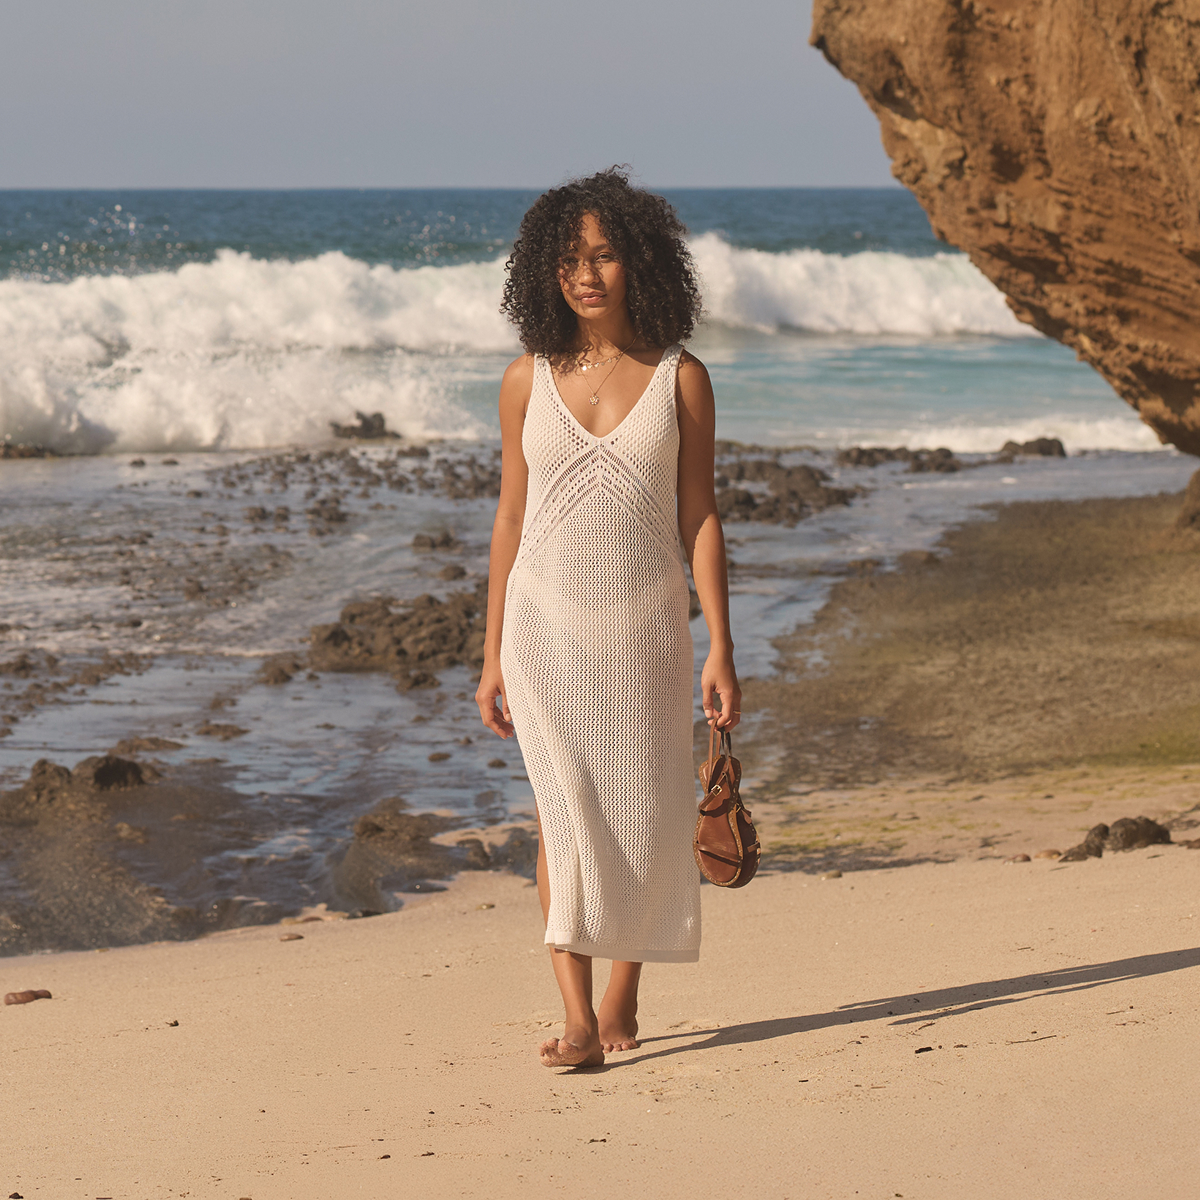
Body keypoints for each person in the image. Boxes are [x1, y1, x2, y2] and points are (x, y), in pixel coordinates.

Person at [475, 168, 740, 1069]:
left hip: (647, 634)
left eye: (604, 255)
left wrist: (721, 649)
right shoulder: (525, 380)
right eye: (569, 259)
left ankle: (626, 990)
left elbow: (699, 515)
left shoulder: (682, 379)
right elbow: (511, 519)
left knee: (648, 814)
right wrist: (489, 656)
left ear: (639, 263)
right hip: (541, 631)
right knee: (562, 814)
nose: (586, 274)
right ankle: (578, 1017)